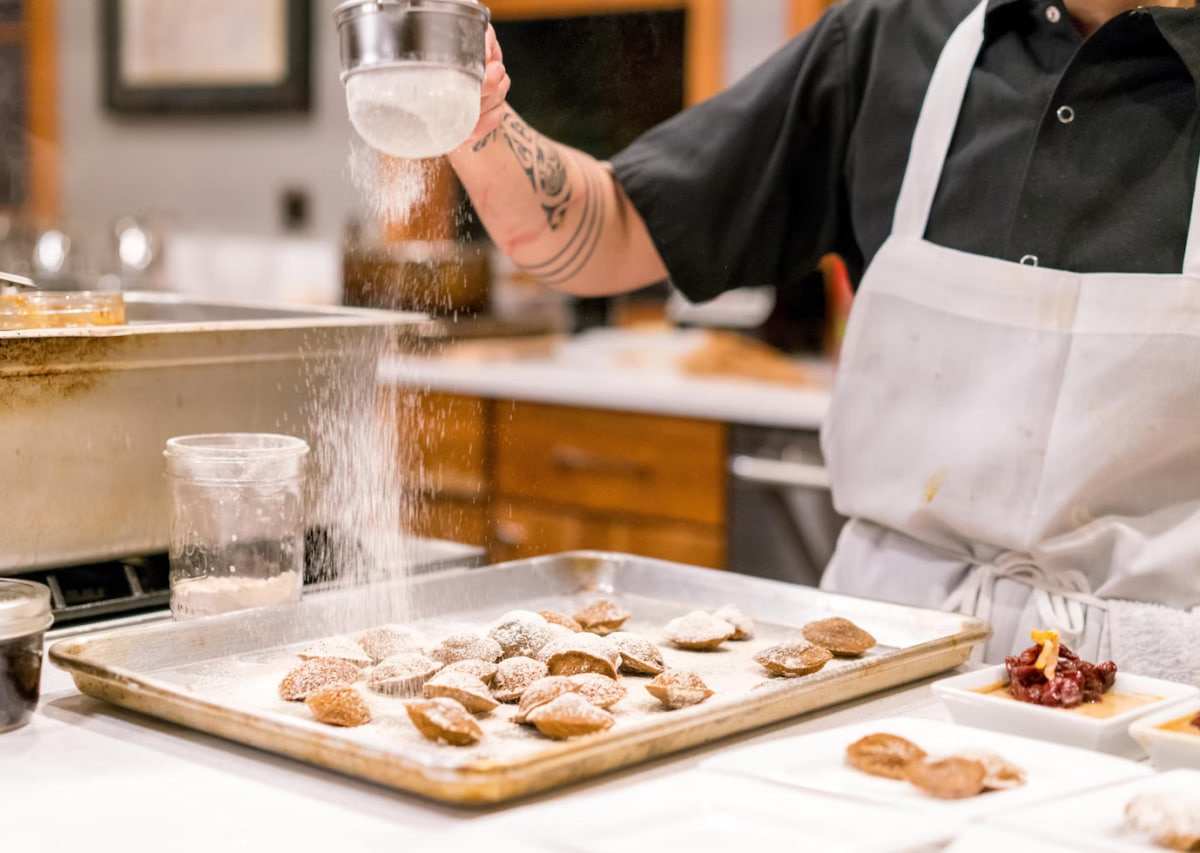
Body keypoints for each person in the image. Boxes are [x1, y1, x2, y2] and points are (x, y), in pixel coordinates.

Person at [444, 0, 1200, 681]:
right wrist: (474, 117)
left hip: (1157, 699)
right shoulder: (892, 39)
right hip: (882, 659)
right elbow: (603, 227)